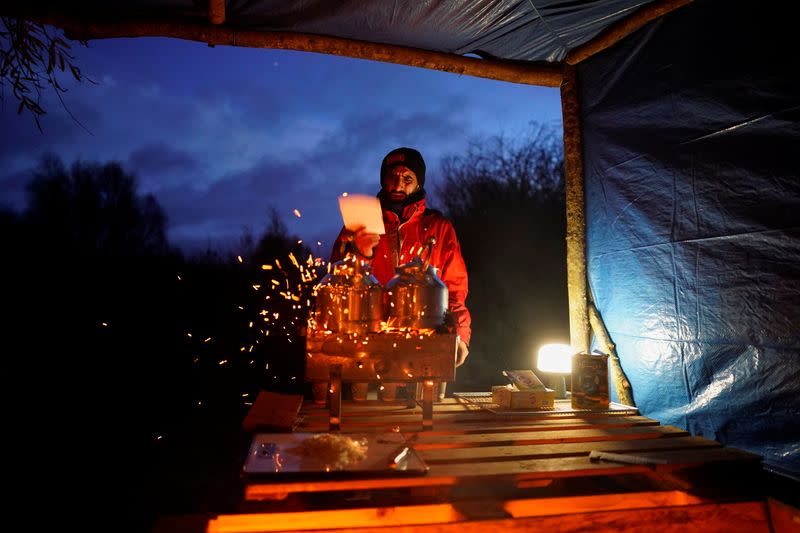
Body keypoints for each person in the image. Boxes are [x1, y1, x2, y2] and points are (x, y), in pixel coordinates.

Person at [331, 147, 471, 371]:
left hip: (424, 340)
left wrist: (460, 336)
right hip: (366, 342)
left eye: (407, 178)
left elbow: (454, 290)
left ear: (419, 184)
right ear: (383, 180)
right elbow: (337, 283)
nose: (398, 185)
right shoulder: (360, 221)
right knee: (364, 403)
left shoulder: (438, 228)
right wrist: (360, 253)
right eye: (392, 177)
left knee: (419, 402)